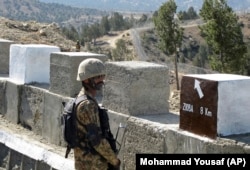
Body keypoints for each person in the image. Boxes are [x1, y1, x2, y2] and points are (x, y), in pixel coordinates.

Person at [74, 58, 120, 170]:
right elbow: (96, 140)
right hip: (93, 164)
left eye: (102, 76)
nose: (102, 80)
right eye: (97, 77)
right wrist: (114, 160)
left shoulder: (84, 99)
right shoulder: (87, 105)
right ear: (85, 80)